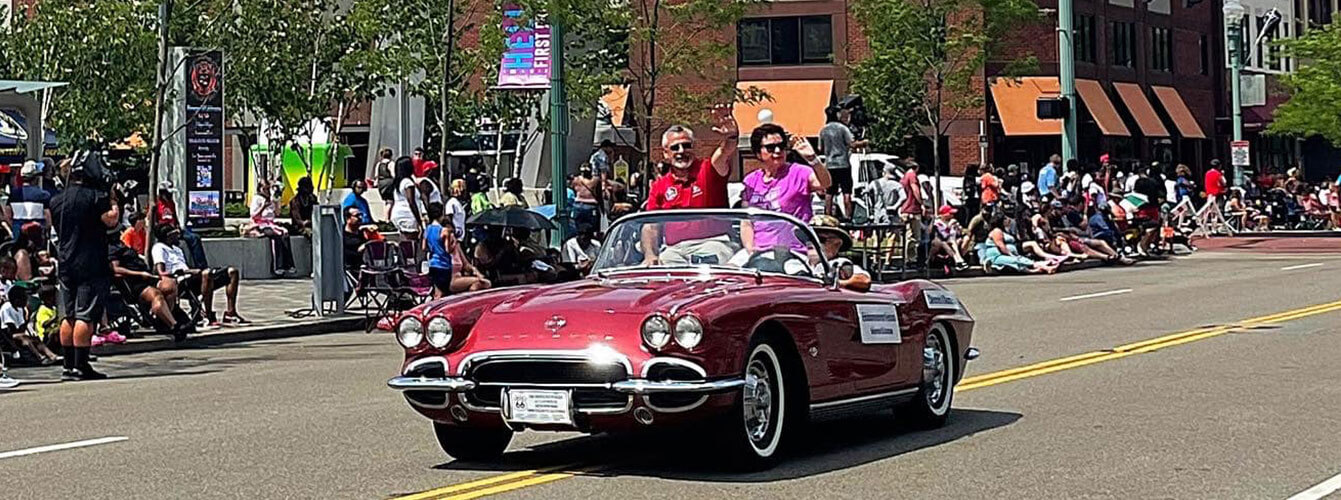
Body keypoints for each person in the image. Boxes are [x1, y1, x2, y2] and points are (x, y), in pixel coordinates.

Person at [50, 152, 120, 380]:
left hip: (66, 262)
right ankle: (82, 365)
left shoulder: (57, 200)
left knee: (68, 315)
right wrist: (114, 200)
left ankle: (68, 366)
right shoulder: (94, 197)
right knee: (85, 315)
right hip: (89, 261)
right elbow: (111, 220)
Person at [640, 107, 740, 266]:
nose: (681, 151)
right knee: (663, 266)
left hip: (714, 243)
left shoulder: (708, 170)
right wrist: (650, 255)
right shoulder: (660, 185)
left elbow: (725, 152)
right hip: (675, 249)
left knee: (712, 266)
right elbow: (651, 225)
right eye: (674, 147)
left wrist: (731, 137)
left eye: (686, 146)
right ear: (665, 153)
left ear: (694, 148)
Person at [740, 123, 831, 253]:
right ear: (758, 153)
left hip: (793, 251)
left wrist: (813, 159)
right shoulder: (751, 180)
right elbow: (746, 222)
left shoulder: (798, 172)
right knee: (727, 269)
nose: (777, 151)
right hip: (758, 251)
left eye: (781, 146)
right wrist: (750, 250)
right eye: (770, 148)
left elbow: (825, 183)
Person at [155, 226, 248, 326]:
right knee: (206, 274)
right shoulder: (159, 248)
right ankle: (208, 315)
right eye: (176, 234)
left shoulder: (177, 249)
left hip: (191, 278)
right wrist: (189, 272)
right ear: (168, 236)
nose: (178, 236)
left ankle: (230, 313)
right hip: (179, 281)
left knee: (231, 272)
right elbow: (161, 272)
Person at [109, 241, 185, 338]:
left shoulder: (124, 246)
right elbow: (116, 269)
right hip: (135, 282)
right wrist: (140, 274)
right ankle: (174, 325)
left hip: (148, 277)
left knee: (169, 285)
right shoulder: (111, 249)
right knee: (156, 295)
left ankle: (162, 318)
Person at [819, 106, 867, 218]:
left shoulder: (823, 130)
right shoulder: (842, 128)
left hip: (830, 164)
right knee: (846, 192)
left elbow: (820, 147)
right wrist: (864, 143)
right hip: (843, 164)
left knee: (829, 192)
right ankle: (848, 216)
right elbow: (852, 144)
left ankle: (828, 215)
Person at [153, 181, 209, 267]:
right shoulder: (156, 204)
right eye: (168, 193)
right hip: (165, 230)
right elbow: (155, 223)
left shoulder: (171, 202)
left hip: (174, 228)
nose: (170, 195)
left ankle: (202, 266)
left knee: (195, 238)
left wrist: (178, 228)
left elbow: (175, 218)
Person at [979, 213, 1058, 274]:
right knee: (1016, 260)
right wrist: (1010, 254)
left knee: (1017, 261)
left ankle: (1038, 269)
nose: (1008, 220)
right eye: (1005, 219)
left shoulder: (1005, 231)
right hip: (997, 256)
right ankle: (1045, 267)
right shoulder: (997, 231)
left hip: (1005, 254)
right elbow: (1000, 245)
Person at [248, 178, 297, 276]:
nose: (267, 191)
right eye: (265, 189)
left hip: (271, 223)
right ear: (260, 189)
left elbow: (277, 213)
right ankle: (278, 266)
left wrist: (276, 202)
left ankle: (289, 264)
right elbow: (254, 215)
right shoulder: (257, 199)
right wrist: (263, 207)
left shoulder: (271, 198)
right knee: (276, 236)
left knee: (285, 235)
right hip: (260, 224)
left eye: (268, 189)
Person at [810, 214, 869, 292]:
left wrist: (834, 283)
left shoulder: (839, 264)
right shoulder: (796, 262)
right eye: (810, 238)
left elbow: (864, 280)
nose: (813, 243)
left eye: (821, 239)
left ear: (837, 244)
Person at [2, 286, 58, 365]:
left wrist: (27, 317)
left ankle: (51, 355)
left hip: (18, 333)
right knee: (24, 338)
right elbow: (11, 329)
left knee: (35, 339)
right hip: (7, 336)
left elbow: (22, 328)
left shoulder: (21, 309)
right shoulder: (6, 308)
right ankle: (40, 357)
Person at [421, 203, 458, 299]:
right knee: (444, 293)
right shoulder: (444, 231)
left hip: (433, 263)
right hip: (444, 264)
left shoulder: (427, 229)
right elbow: (448, 249)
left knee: (436, 292)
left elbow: (424, 247)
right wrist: (454, 243)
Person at [7, 159, 52, 238]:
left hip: (18, 235)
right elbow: (47, 219)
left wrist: (14, 228)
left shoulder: (13, 194)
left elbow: (8, 214)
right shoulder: (44, 195)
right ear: (36, 178)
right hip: (37, 236)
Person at [389, 156, 425, 240]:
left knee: (404, 243)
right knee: (411, 243)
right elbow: (411, 201)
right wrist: (419, 221)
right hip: (408, 215)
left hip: (398, 214)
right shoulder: (408, 183)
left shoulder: (398, 182)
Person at [899, 160, 927, 267]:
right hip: (913, 209)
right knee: (914, 236)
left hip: (905, 208)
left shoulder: (904, 177)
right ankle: (911, 259)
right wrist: (921, 203)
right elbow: (915, 190)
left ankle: (908, 258)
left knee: (907, 235)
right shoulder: (912, 175)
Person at [931, 206, 969, 271]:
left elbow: (957, 234)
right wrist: (949, 226)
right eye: (950, 214)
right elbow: (944, 236)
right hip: (943, 244)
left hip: (953, 242)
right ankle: (959, 261)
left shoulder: (953, 221)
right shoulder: (938, 223)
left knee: (965, 238)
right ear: (944, 215)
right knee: (952, 242)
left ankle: (960, 260)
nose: (952, 215)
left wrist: (958, 229)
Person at [572, 165, 601, 232]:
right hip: (591, 205)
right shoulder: (595, 180)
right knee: (593, 229)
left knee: (578, 228)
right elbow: (599, 194)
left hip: (578, 205)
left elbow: (574, 190)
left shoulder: (576, 180)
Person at [373, 147, 396, 216]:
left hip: (381, 183)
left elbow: (376, 175)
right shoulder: (391, 163)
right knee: (390, 202)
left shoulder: (378, 164)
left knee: (386, 201)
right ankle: (387, 218)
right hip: (389, 183)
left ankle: (386, 216)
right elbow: (393, 174)